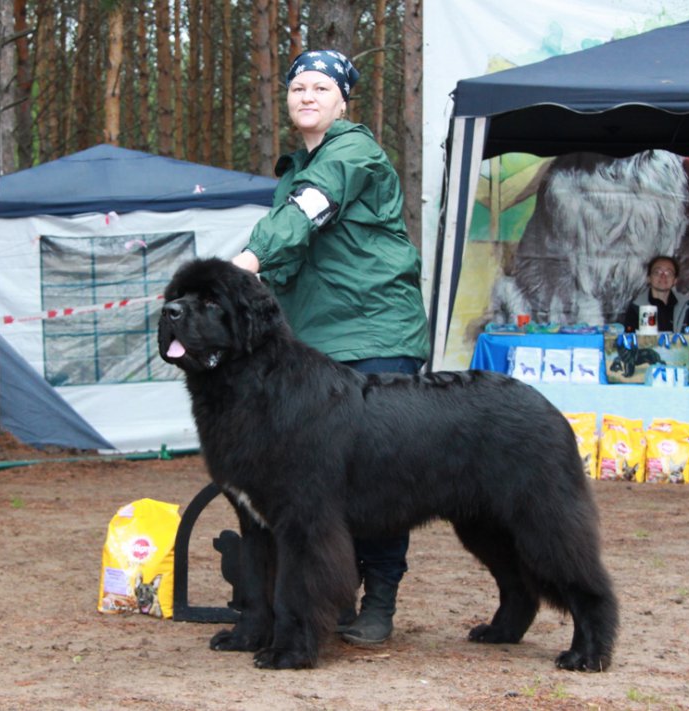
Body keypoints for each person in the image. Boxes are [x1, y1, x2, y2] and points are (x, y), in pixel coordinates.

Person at [231, 49, 430, 646]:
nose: (307, 96)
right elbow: (290, 250)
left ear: (343, 101)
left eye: (321, 87)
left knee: (382, 476)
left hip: (376, 335)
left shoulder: (352, 152)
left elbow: (303, 215)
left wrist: (245, 262)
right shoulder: (296, 170)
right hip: (314, 346)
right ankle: (330, 599)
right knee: (320, 483)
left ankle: (381, 602)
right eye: (298, 88)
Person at [621, 255, 689, 332]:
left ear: (675, 280)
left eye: (668, 273)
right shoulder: (636, 307)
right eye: (657, 272)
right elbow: (629, 339)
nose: (663, 276)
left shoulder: (684, 306)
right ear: (649, 278)